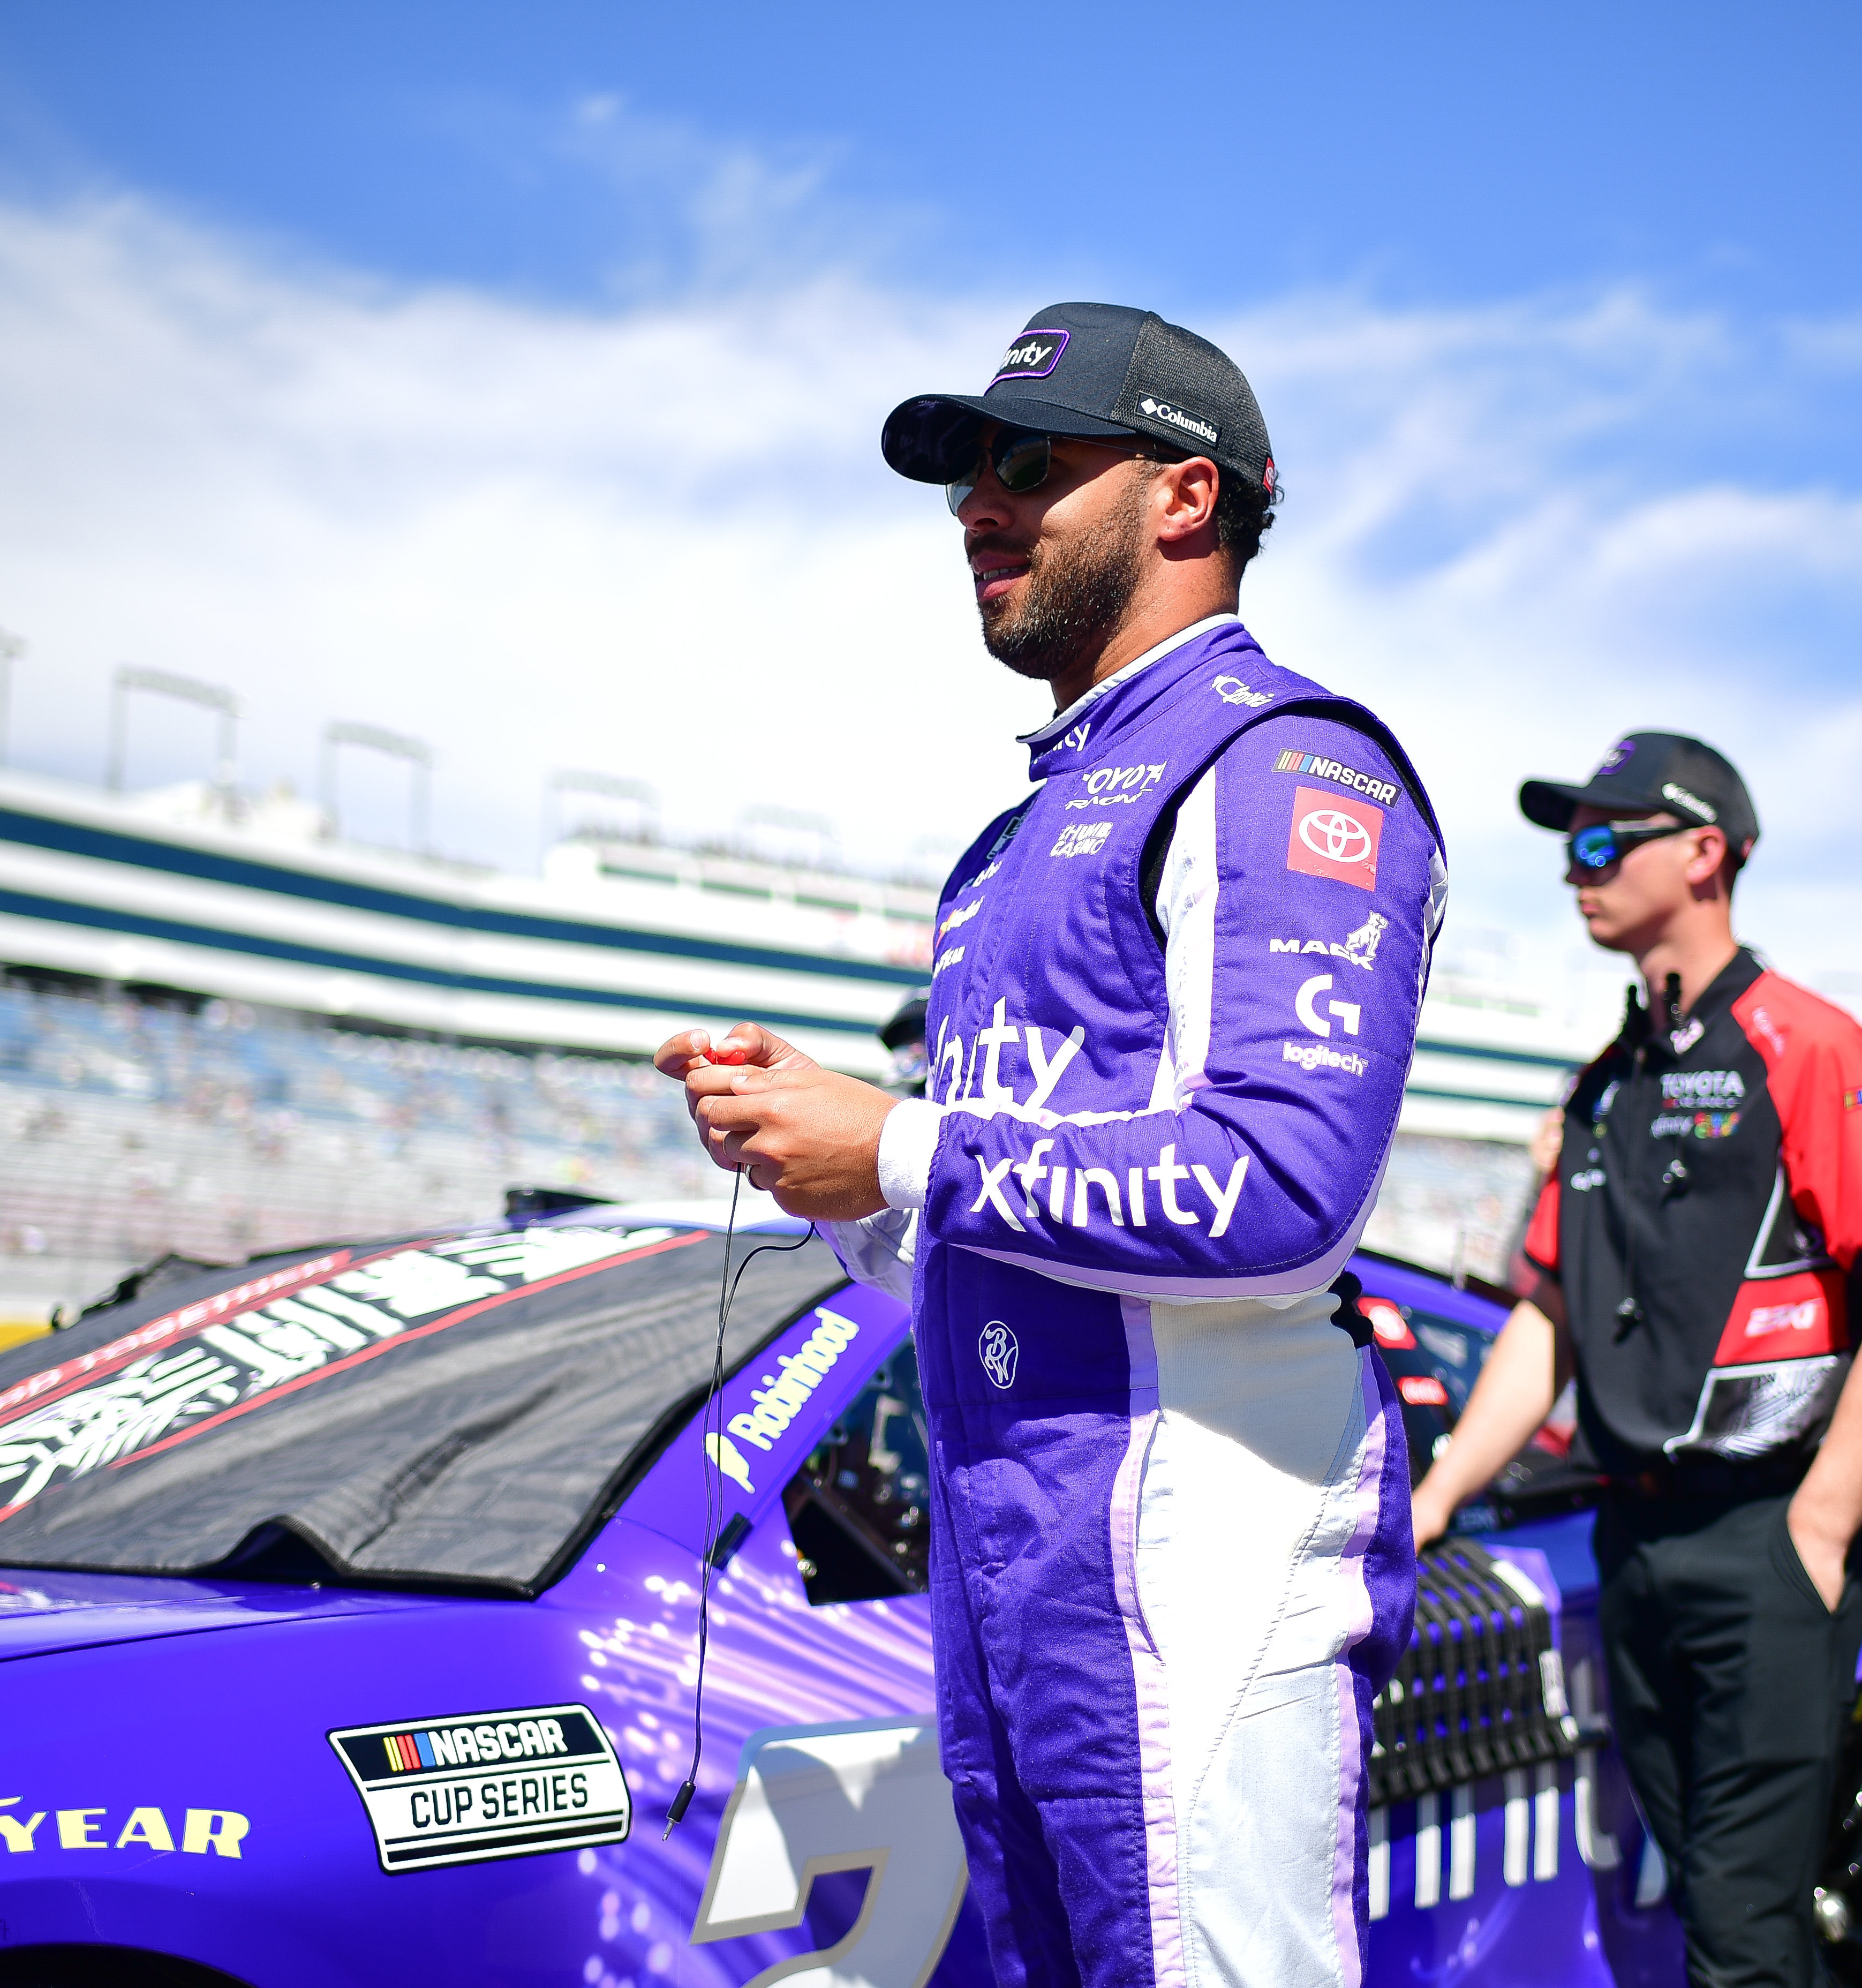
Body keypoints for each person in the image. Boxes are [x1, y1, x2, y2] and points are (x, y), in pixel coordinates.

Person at [655, 302, 1445, 1988]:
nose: (975, 508)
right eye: (964, 476)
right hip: (1016, 1559)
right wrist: (828, 1162)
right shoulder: (1004, 844)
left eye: (1027, 461)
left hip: (1199, 1564)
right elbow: (977, 1223)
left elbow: (1284, 1191)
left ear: (1186, 496)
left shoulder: (1283, 758)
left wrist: (899, 1147)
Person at [1410, 733, 1862, 1988]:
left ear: (1706, 852)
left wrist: (1817, 1529)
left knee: (1742, 1929)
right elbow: (1543, 1317)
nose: (1576, 869)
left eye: (1603, 840)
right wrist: (1437, 1495)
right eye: (1567, 846)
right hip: (1633, 1540)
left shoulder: (1808, 1045)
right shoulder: (1605, 1084)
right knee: (1716, 1900)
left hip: (1768, 1530)